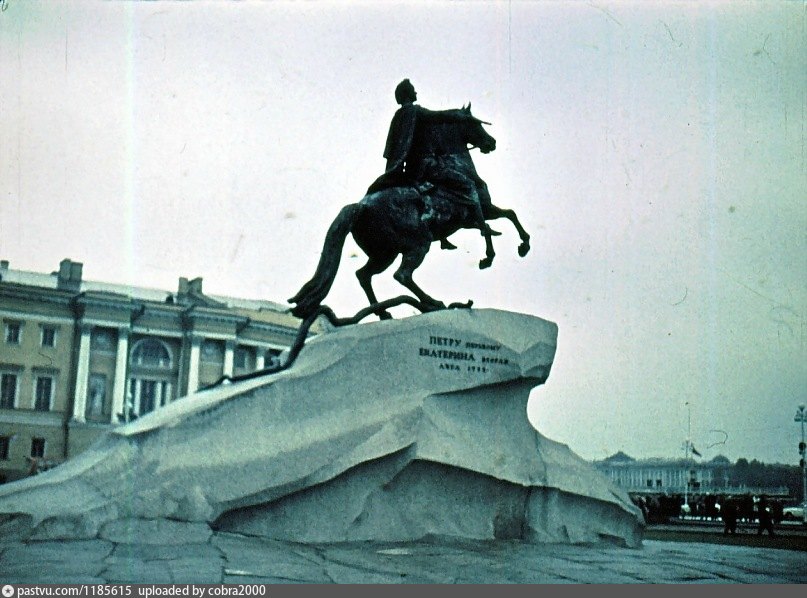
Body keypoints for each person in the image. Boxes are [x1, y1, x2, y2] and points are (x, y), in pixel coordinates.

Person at [369, 79, 499, 239]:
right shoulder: (415, 112)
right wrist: (460, 117)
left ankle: (444, 236)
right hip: (427, 166)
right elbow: (439, 116)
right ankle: (482, 226)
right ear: (407, 94)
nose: (416, 92)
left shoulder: (398, 117)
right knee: (468, 185)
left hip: (410, 169)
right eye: (413, 90)